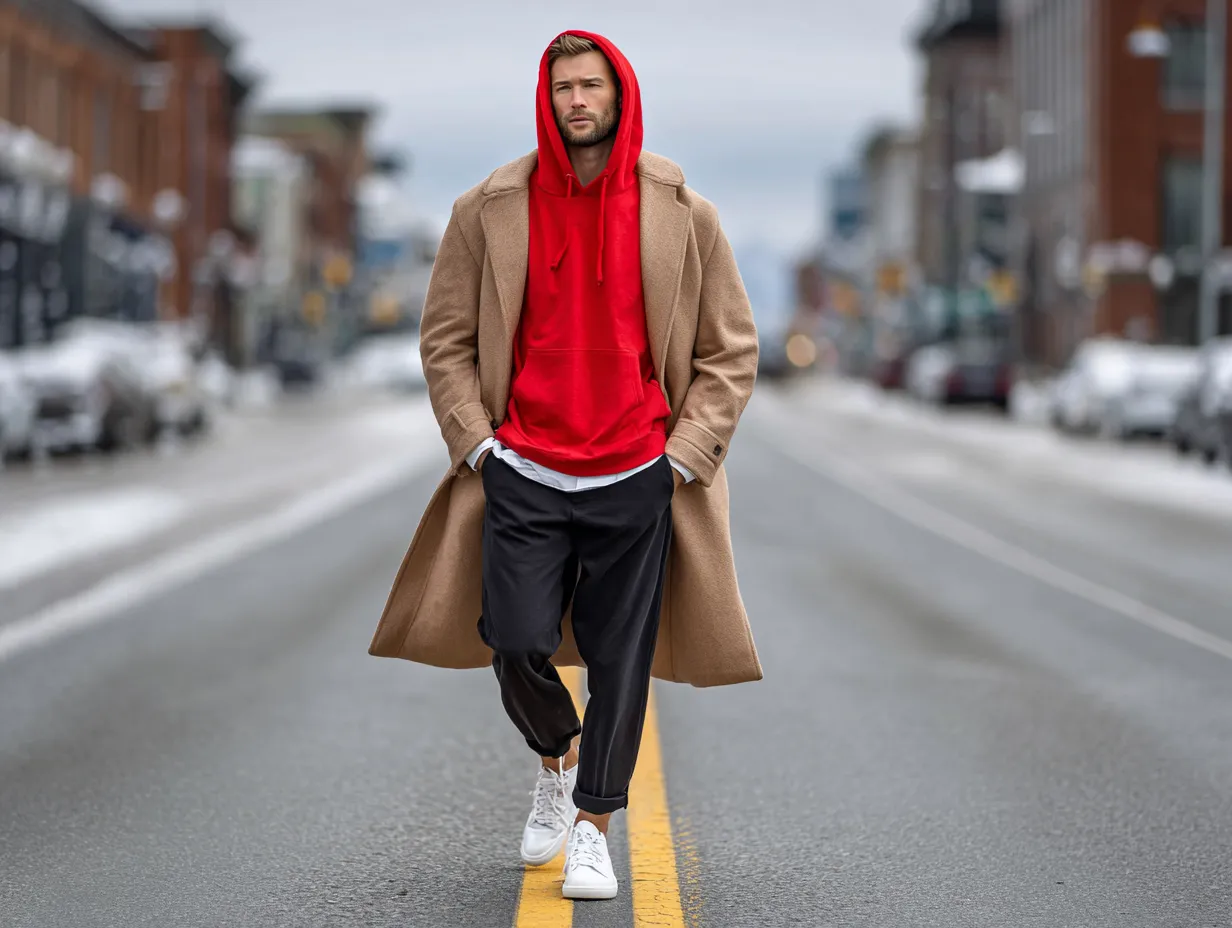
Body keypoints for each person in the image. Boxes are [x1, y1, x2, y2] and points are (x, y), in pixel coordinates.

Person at [368, 30, 762, 902]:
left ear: (619, 94)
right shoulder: (487, 208)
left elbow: (728, 350)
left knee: (621, 659)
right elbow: (446, 340)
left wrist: (682, 459)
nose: (576, 101)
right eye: (562, 89)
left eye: (591, 86)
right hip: (525, 470)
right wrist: (479, 445)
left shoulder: (682, 211)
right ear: (545, 101)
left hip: (636, 470)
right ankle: (557, 754)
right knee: (513, 638)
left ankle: (591, 828)